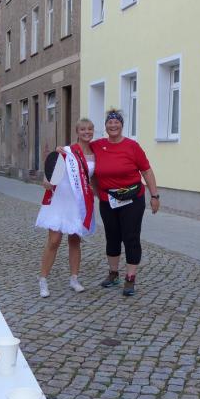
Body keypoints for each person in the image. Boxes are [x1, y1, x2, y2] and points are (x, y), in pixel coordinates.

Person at [91, 109, 160, 296]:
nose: (113, 125)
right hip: (108, 200)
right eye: (110, 122)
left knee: (131, 237)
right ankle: (113, 274)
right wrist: (62, 150)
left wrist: (154, 196)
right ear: (105, 126)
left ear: (121, 125)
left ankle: (130, 278)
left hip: (132, 199)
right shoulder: (97, 146)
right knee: (112, 236)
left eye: (116, 122)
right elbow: (79, 152)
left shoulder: (132, 146)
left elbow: (146, 171)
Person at [35, 119, 97, 297]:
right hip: (61, 200)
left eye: (90, 129)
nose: (86, 132)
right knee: (54, 241)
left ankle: (74, 279)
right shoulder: (67, 151)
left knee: (75, 241)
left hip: (78, 203)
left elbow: (92, 179)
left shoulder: (95, 153)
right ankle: (43, 279)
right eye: (83, 129)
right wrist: (46, 181)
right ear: (77, 131)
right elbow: (51, 170)